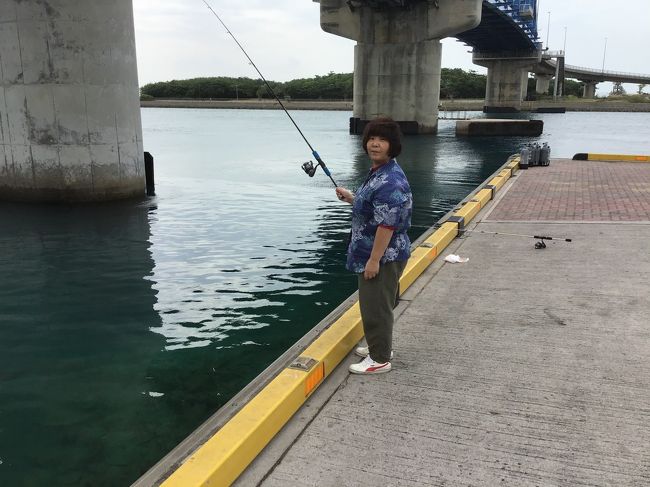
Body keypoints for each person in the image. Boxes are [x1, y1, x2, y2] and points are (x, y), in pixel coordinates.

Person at [335, 117, 412, 375]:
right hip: (381, 252)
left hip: (382, 255)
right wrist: (353, 199)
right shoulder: (379, 172)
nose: (374, 144)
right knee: (379, 302)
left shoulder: (390, 181)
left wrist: (373, 260)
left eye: (381, 140)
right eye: (371, 138)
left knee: (375, 306)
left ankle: (379, 359)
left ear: (392, 145)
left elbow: (386, 225)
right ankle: (380, 345)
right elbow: (375, 211)